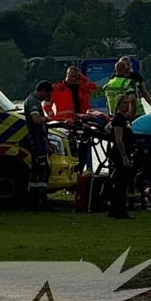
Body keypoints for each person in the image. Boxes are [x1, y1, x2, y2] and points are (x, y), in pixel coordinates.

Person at [48, 66, 99, 171]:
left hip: (81, 123)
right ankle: (71, 172)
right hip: (65, 125)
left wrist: (83, 78)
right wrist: (54, 119)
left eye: (75, 76)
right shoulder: (58, 88)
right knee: (69, 150)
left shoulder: (82, 88)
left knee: (83, 148)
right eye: (71, 76)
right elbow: (46, 104)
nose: (73, 78)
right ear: (66, 75)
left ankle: (80, 171)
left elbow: (94, 88)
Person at [24, 81, 54, 210]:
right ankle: (40, 199)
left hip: (39, 138)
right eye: (47, 95)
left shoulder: (34, 100)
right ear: (42, 91)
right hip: (36, 137)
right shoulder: (33, 101)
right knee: (43, 168)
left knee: (37, 169)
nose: (47, 98)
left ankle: (34, 199)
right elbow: (36, 120)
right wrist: (46, 119)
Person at [107, 95, 135, 219]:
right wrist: (124, 157)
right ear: (118, 105)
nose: (127, 105)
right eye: (124, 103)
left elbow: (107, 128)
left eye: (128, 103)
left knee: (121, 181)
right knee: (121, 183)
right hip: (120, 153)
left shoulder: (125, 119)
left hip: (126, 152)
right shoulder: (118, 119)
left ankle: (114, 209)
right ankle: (120, 211)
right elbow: (118, 139)